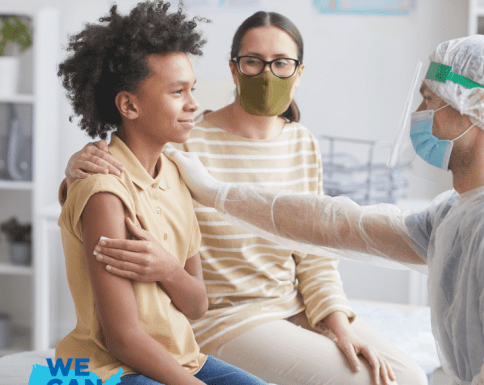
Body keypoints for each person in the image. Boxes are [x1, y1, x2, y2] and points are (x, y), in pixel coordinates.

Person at [160, 35, 484, 384]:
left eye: (429, 101)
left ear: (477, 108)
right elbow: (341, 225)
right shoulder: (464, 212)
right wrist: (217, 193)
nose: (418, 115)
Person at [61, 10, 427, 385]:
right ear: (234, 70)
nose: (267, 75)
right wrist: (78, 164)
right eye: (253, 62)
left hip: (289, 307)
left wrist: (338, 325)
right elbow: (126, 164)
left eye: (281, 63)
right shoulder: (186, 142)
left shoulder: (301, 143)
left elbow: (315, 253)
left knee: (409, 377)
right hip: (226, 318)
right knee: (360, 381)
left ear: (299, 72)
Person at [54, 2, 267, 384]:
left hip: (182, 360)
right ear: (129, 105)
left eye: (193, 89)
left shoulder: (176, 174)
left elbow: (197, 304)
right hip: (105, 371)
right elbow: (122, 338)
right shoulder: (103, 192)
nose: (194, 103)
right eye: (177, 92)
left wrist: (167, 267)